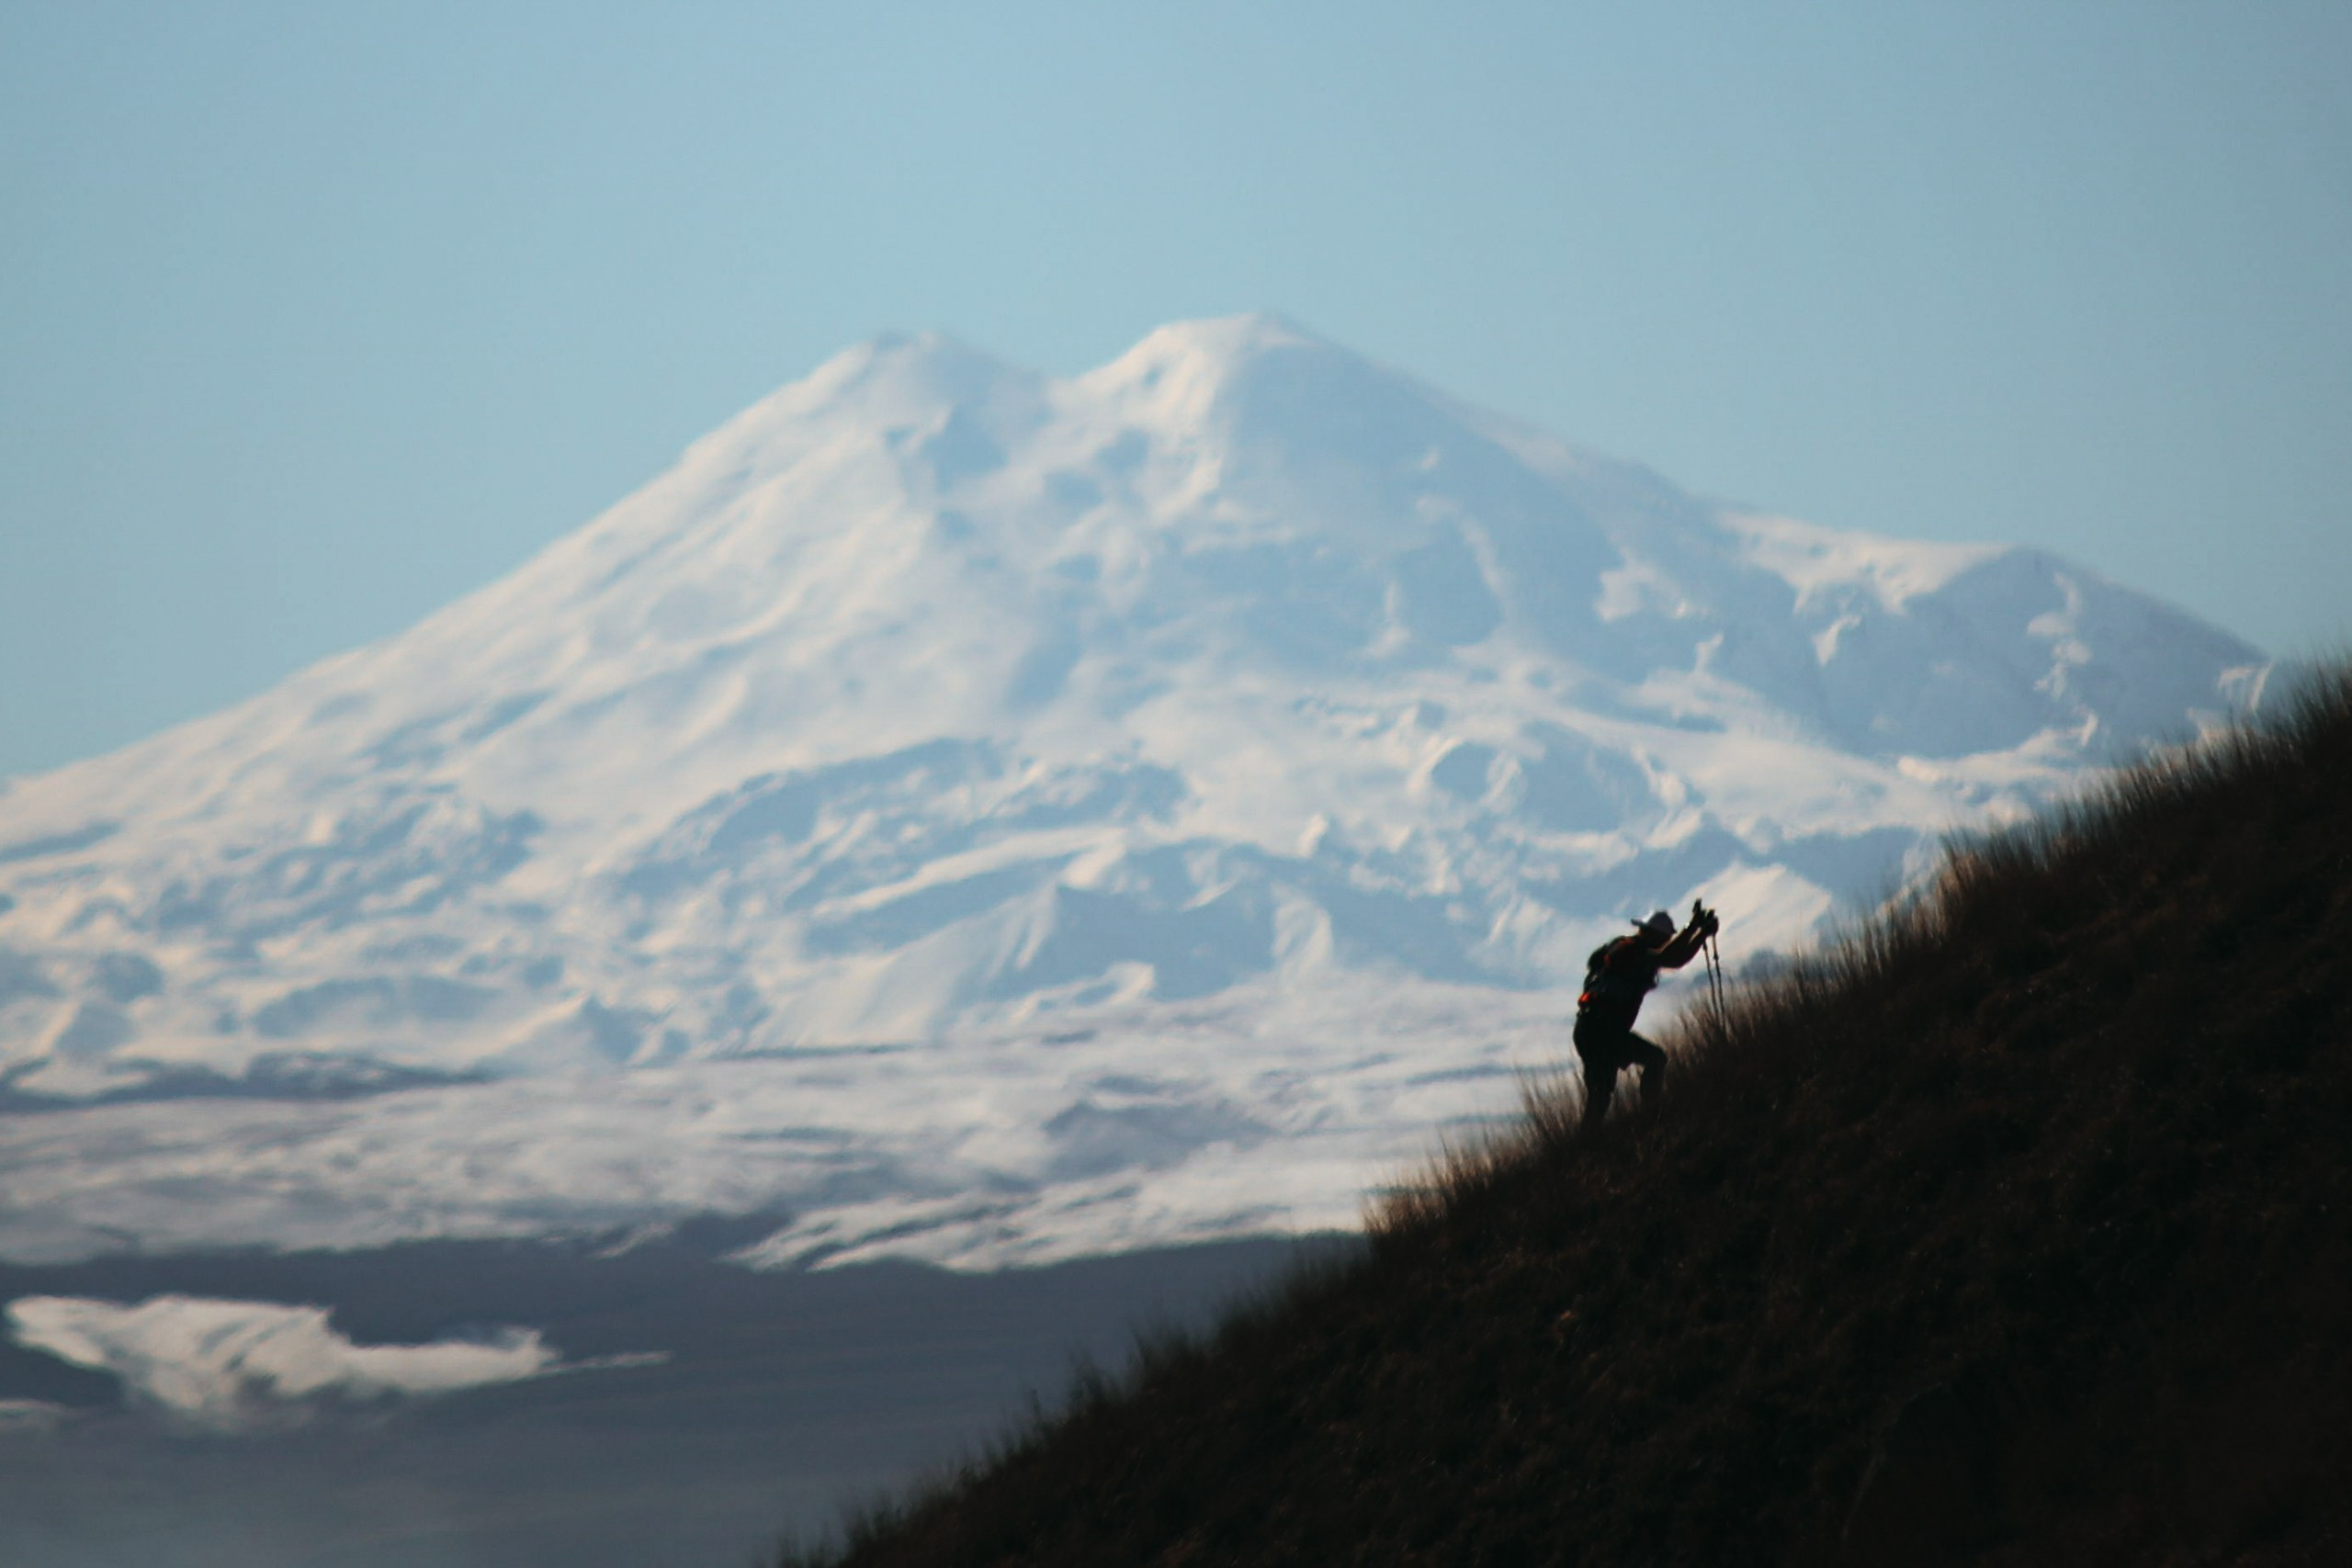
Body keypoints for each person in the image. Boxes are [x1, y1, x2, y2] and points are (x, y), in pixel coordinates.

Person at [1574, 899, 1718, 1128]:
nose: (1666, 942)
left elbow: (1675, 959)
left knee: (1600, 1096)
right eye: (1664, 938)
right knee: (1652, 1061)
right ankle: (1650, 1116)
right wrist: (1693, 929)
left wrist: (1700, 934)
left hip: (1595, 1028)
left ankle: (1588, 1143)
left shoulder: (1628, 949)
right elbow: (1669, 956)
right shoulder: (1630, 950)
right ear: (1653, 935)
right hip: (1601, 1029)